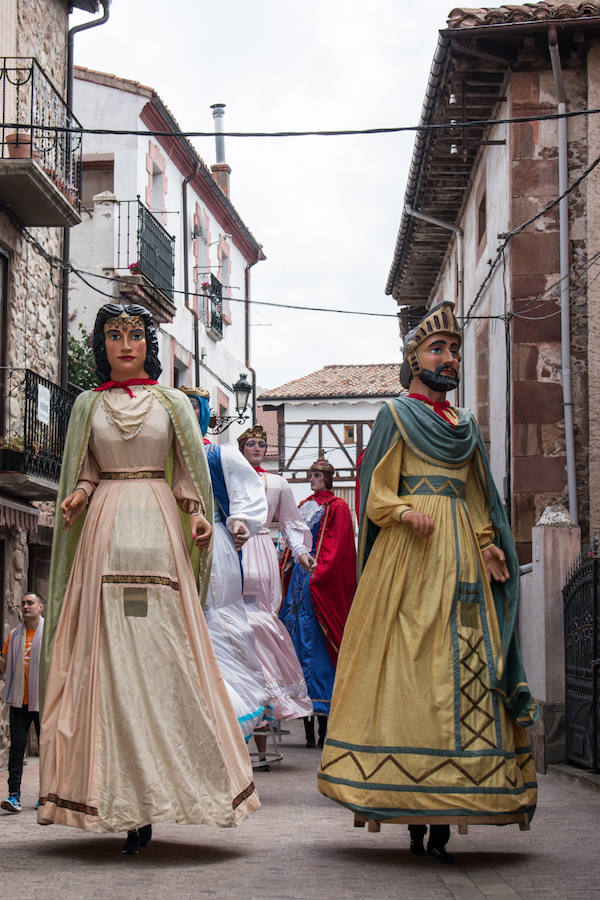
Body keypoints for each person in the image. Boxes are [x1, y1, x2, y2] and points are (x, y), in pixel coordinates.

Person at [317, 301, 538, 863]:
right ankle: (409, 809)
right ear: (412, 359)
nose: (447, 358)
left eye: (453, 350)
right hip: (409, 556)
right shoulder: (395, 414)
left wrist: (489, 543)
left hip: (460, 551)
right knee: (408, 664)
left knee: (463, 659)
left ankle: (447, 809)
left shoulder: (465, 425)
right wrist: (400, 512)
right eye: (436, 349)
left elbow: (476, 493)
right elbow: (377, 490)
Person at [38, 303, 259, 855]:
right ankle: (111, 791)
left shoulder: (173, 403)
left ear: (148, 345)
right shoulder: (88, 405)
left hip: (160, 534)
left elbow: (185, 471)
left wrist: (199, 515)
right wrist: (79, 494)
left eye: (135, 334)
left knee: (166, 653)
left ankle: (167, 787)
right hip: (105, 535)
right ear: (103, 345)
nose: (126, 344)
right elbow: (86, 468)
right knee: (104, 655)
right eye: (114, 335)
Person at [179, 389, 268, 750]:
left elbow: (247, 497)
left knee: (219, 622)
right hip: (171, 543)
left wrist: (241, 523)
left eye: (192, 407)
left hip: (215, 548)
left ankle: (225, 712)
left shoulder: (220, 455)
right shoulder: (161, 454)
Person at [237, 426, 313, 754]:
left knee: (263, 623)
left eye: (261, 443)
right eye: (251, 443)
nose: (257, 447)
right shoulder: (228, 477)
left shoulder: (278, 483)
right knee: (236, 625)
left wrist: (300, 552)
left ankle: (268, 705)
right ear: (241, 448)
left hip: (262, 550)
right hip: (233, 546)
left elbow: (291, 522)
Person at [279, 459, 356, 749]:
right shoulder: (304, 505)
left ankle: (323, 723)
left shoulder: (337, 507)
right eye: (311, 475)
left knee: (317, 643)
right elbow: (292, 539)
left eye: (317, 475)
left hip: (318, 578)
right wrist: (286, 564)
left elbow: (337, 547)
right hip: (300, 576)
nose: (313, 479)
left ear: (327, 478)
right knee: (296, 638)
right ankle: (304, 719)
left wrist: (318, 573)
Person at [0, 593, 44, 813]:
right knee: (17, 748)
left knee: (47, 749)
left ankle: (45, 796)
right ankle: (14, 796)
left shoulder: (49, 634)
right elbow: (5, 663)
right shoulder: (15, 635)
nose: (26, 607)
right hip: (19, 701)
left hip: (44, 701)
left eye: (30, 603)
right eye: (23, 604)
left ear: (41, 607)